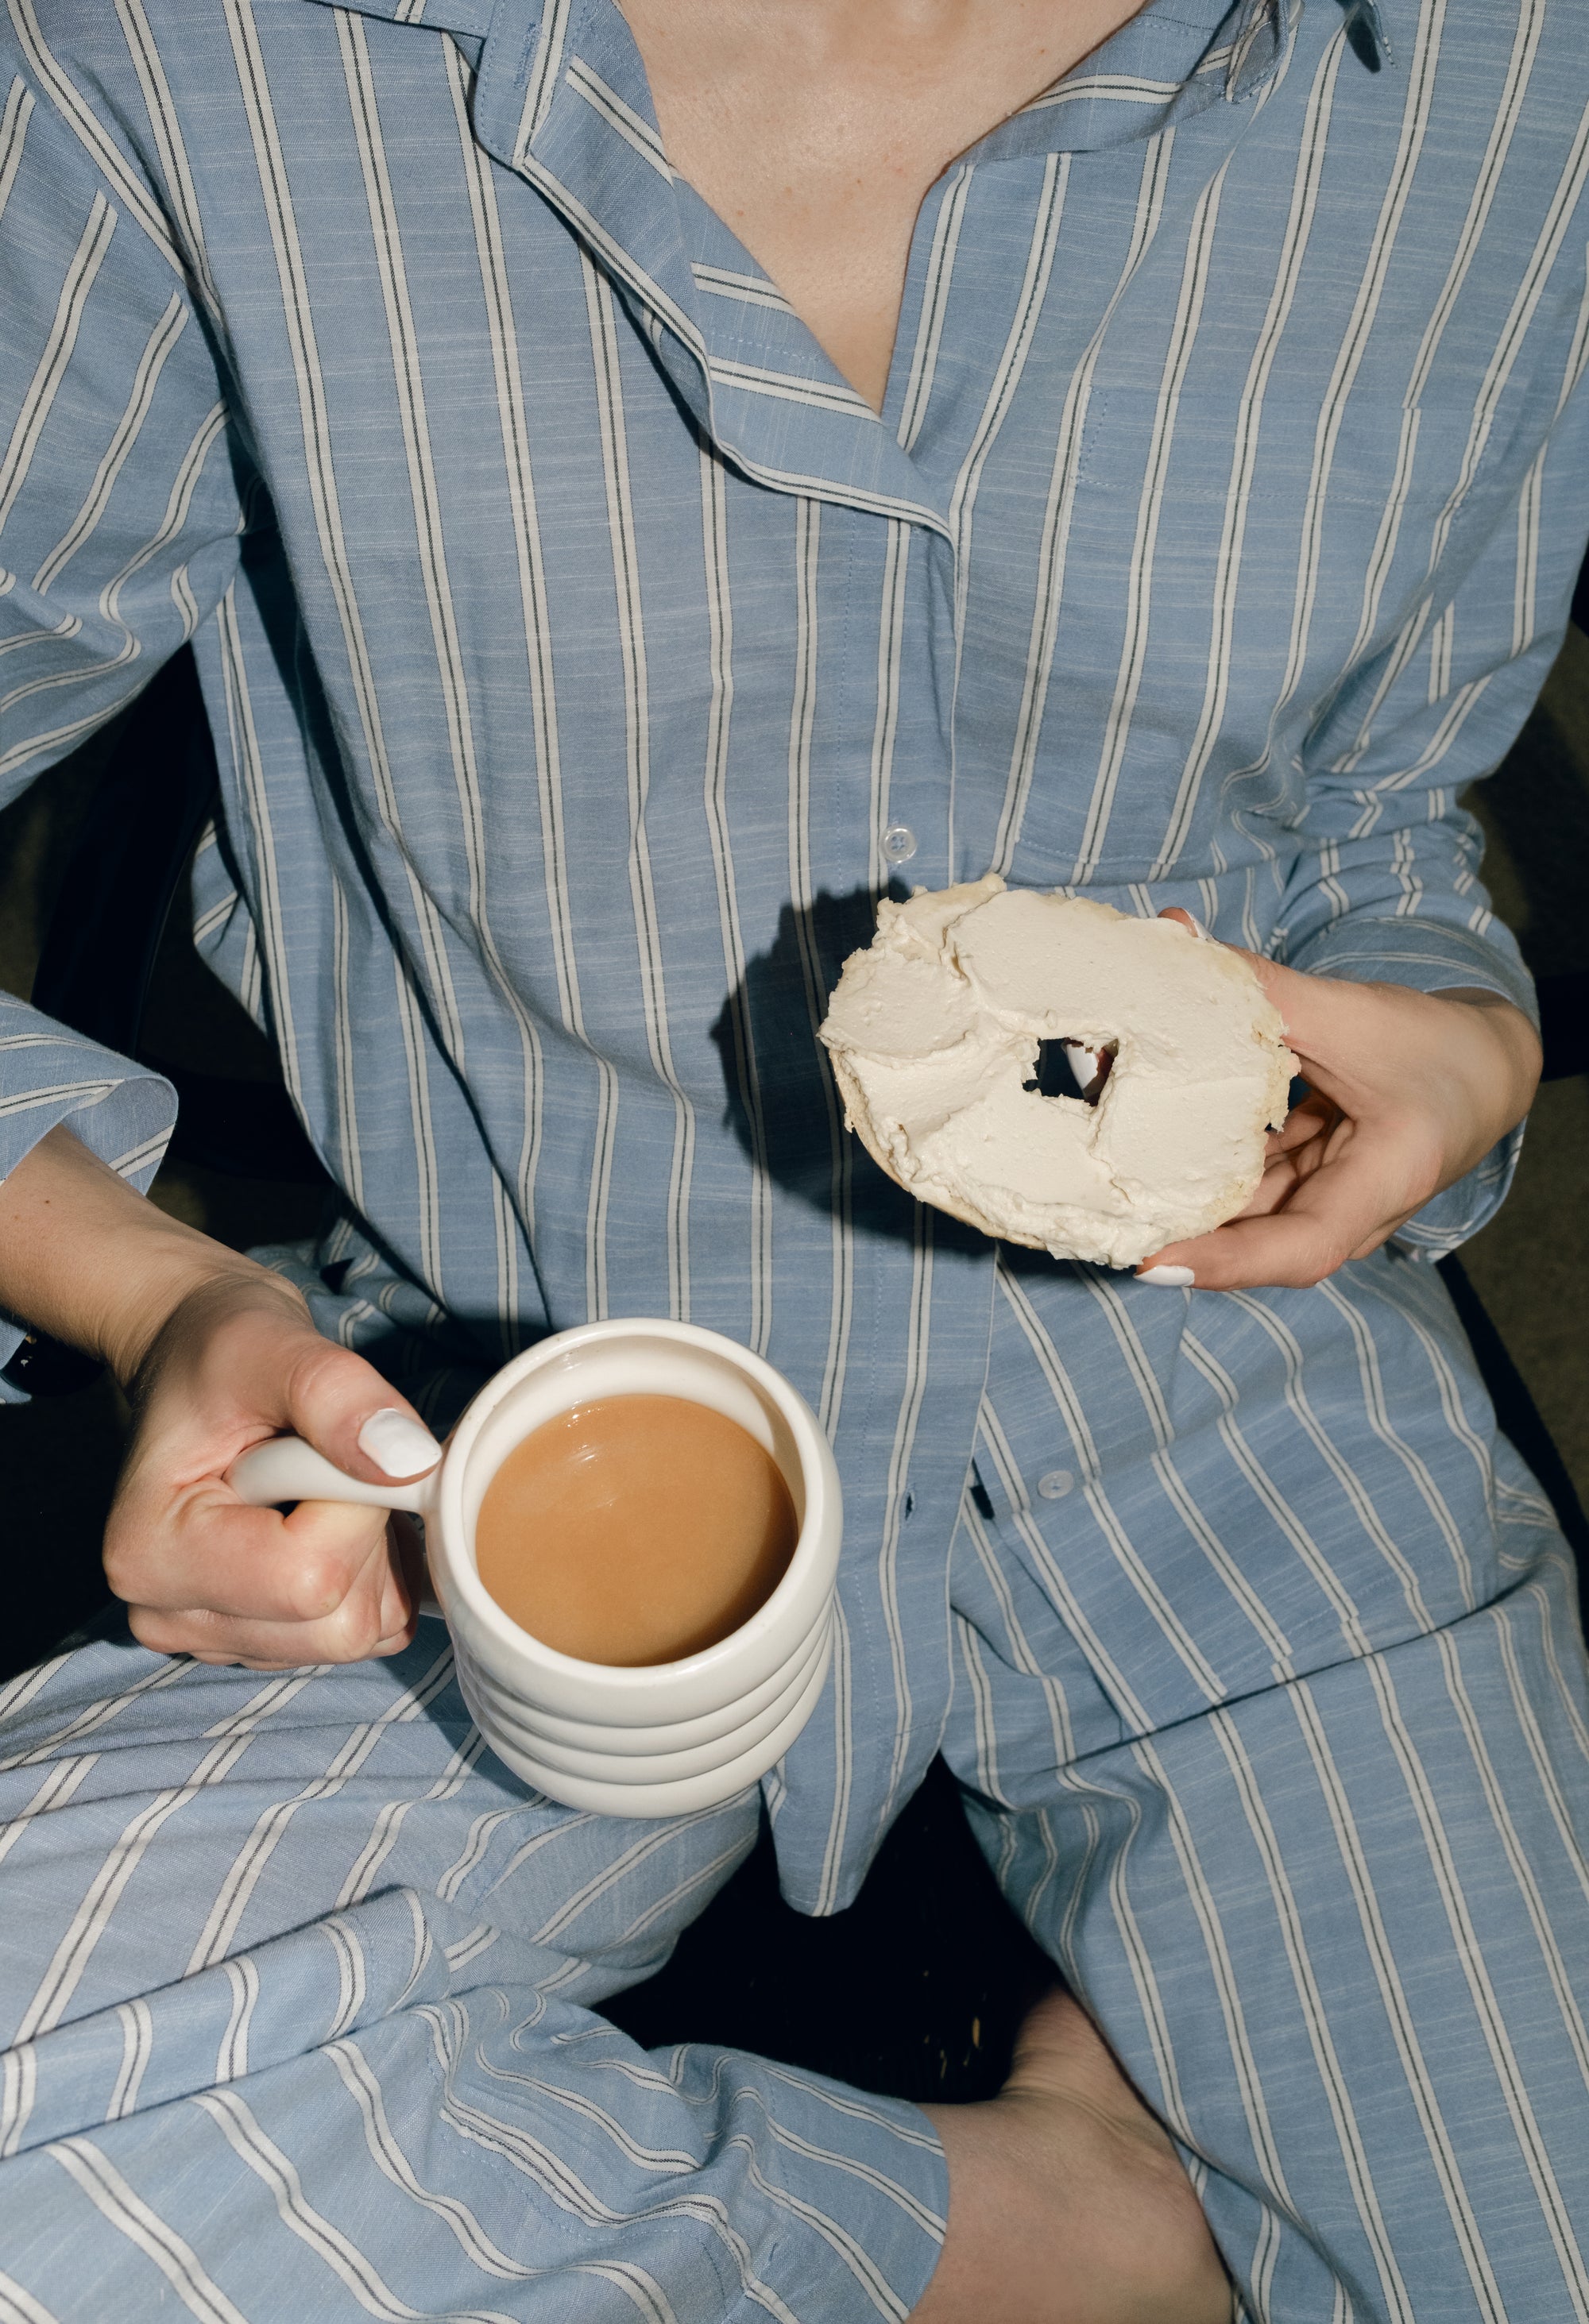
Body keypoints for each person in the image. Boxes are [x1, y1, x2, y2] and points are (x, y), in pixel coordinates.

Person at [0, 0, 1583, 2312]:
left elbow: (1369, 806)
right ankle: (1065, 2234)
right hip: (508, 1396)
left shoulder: (1502, 58)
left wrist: (1457, 1051)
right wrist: (161, 1297)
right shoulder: (180, 48)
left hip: (1235, 1387)